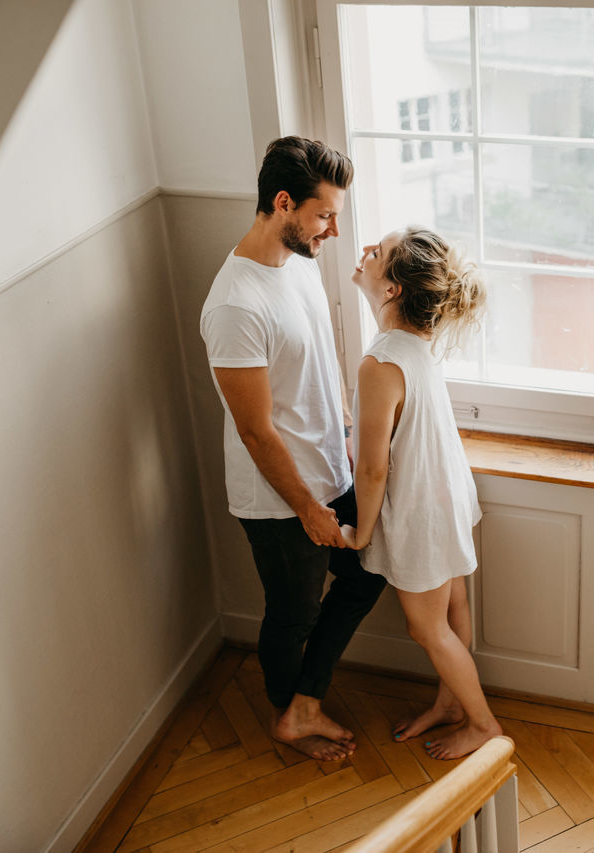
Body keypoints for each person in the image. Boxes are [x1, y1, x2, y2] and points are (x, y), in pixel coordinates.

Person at [200, 136, 386, 761]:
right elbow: (255, 431)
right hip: (281, 502)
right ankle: (290, 715)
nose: (333, 229)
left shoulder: (300, 263)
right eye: (325, 214)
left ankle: (306, 700)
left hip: (332, 471)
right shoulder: (234, 305)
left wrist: (351, 440)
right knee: (294, 615)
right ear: (283, 203)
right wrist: (308, 508)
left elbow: (320, 370)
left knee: (365, 578)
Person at [339, 226, 502, 760]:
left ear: (391, 290)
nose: (365, 252)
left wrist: (361, 531)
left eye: (378, 253)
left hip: (421, 508)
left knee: (426, 627)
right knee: (453, 607)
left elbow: (371, 469)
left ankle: (483, 725)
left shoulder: (380, 363)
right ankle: (452, 705)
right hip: (447, 493)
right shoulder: (413, 345)